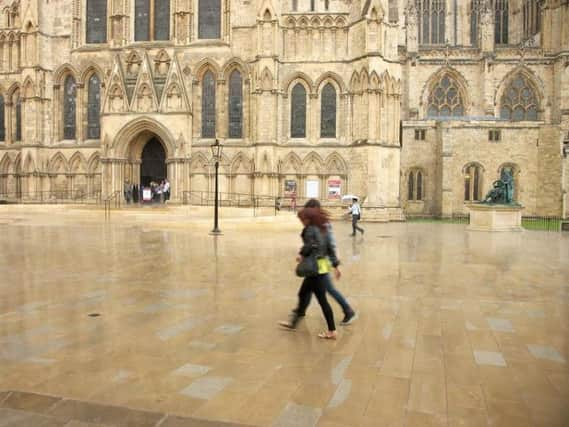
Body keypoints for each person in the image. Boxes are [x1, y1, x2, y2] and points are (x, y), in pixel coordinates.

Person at [294, 199, 357, 325]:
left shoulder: (323, 224)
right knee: (309, 287)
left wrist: (335, 265)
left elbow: (330, 244)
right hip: (313, 261)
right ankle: (301, 310)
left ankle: (347, 311)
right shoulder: (314, 223)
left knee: (327, 288)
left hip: (321, 262)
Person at [279, 207, 337, 339]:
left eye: (301, 219)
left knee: (321, 300)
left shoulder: (311, 229)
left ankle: (332, 331)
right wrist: (335, 265)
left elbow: (310, 245)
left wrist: (302, 254)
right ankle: (293, 322)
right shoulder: (323, 228)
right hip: (320, 267)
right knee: (304, 294)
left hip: (314, 269)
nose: (301, 221)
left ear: (307, 219)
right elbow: (328, 247)